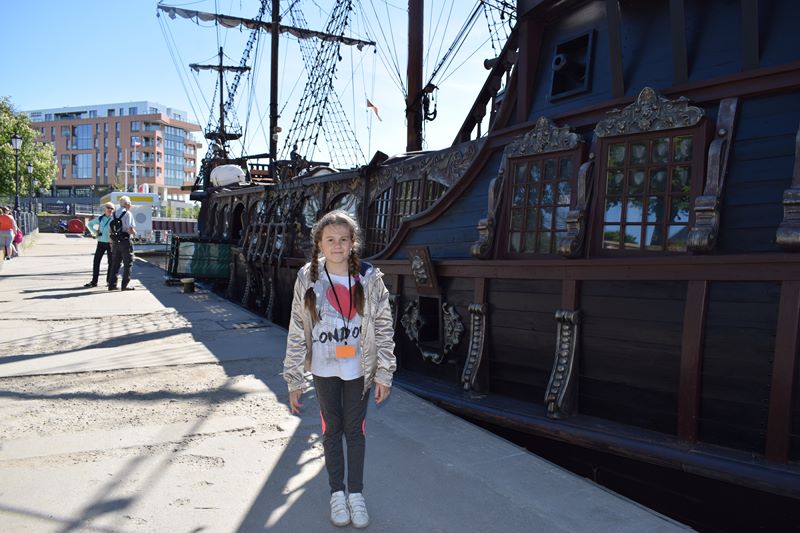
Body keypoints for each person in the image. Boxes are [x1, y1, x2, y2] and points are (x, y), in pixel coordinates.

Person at [283, 210, 396, 529]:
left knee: (355, 431)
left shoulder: (369, 277)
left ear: (352, 243)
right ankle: (337, 493)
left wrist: (384, 372)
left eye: (343, 240)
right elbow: (296, 327)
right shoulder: (308, 277)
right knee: (332, 430)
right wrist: (294, 377)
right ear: (319, 243)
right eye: (330, 239)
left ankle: (356, 494)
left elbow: (384, 326)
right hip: (323, 368)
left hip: (358, 368)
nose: (337, 245)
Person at [108, 196, 137, 291]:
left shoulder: (114, 214)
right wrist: (135, 234)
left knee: (115, 263)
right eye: (130, 204)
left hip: (116, 241)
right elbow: (130, 229)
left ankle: (112, 285)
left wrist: (111, 241)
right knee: (128, 263)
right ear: (127, 204)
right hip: (125, 241)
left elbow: (110, 229)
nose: (130, 205)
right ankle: (125, 285)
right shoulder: (128, 214)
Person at [83, 202, 114, 288]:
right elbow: (89, 224)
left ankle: (109, 281)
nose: (110, 210)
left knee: (111, 263)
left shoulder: (114, 219)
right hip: (100, 242)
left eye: (112, 208)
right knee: (96, 262)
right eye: (108, 208)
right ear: (105, 209)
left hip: (111, 243)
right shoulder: (100, 218)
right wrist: (95, 232)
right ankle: (94, 282)